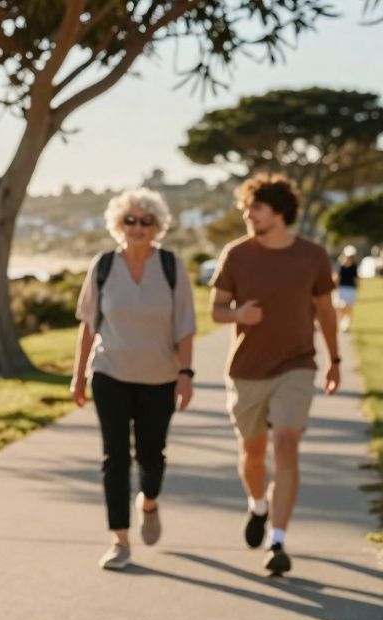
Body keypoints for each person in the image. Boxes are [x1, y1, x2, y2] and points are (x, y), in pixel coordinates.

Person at [210, 173, 339, 575]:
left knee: (285, 444)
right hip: (247, 369)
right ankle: (258, 506)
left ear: (279, 213)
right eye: (247, 208)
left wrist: (334, 360)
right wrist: (237, 315)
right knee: (252, 452)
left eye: (257, 208)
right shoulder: (236, 254)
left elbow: (325, 310)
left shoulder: (312, 256)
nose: (249, 215)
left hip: (296, 364)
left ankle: (278, 541)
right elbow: (216, 310)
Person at [71, 189, 197, 570]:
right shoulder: (104, 265)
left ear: (157, 227)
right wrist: (78, 376)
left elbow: (186, 328)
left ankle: (150, 501)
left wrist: (186, 375)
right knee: (115, 457)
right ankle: (119, 540)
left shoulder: (172, 267)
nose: (138, 227)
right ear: (118, 224)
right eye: (131, 220)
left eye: (146, 221)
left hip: (160, 377)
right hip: (110, 373)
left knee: (151, 455)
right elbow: (88, 326)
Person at [335, 245, 359, 332]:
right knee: (342, 307)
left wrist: (358, 286)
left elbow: (356, 278)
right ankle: (343, 323)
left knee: (348, 308)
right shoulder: (341, 266)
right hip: (342, 288)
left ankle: (346, 325)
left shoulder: (354, 266)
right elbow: (337, 278)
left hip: (351, 289)